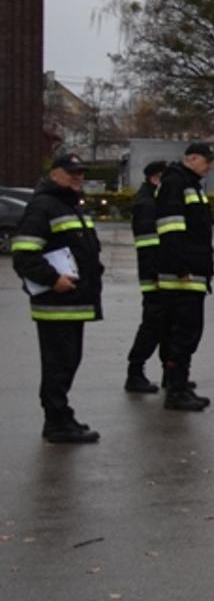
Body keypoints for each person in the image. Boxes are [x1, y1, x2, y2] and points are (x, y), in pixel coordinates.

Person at [12, 153, 106, 443]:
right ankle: (56, 423)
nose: (78, 177)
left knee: (68, 363)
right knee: (58, 365)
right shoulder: (44, 205)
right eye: (71, 173)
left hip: (73, 303)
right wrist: (54, 280)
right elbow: (24, 254)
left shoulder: (71, 204)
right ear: (54, 174)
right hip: (57, 304)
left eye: (81, 173)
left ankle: (62, 416)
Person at [151, 142, 214, 412]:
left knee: (182, 332)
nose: (209, 166)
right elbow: (171, 228)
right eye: (206, 160)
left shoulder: (188, 183)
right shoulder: (177, 183)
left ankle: (177, 382)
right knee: (184, 333)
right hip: (183, 274)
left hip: (191, 270)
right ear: (191, 158)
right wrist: (181, 266)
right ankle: (176, 391)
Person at [124, 160, 170, 393]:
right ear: (156, 178)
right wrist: (156, 276)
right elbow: (148, 245)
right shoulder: (147, 204)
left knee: (168, 325)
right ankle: (135, 372)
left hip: (161, 274)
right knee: (153, 325)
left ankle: (170, 372)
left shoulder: (155, 200)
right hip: (154, 277)